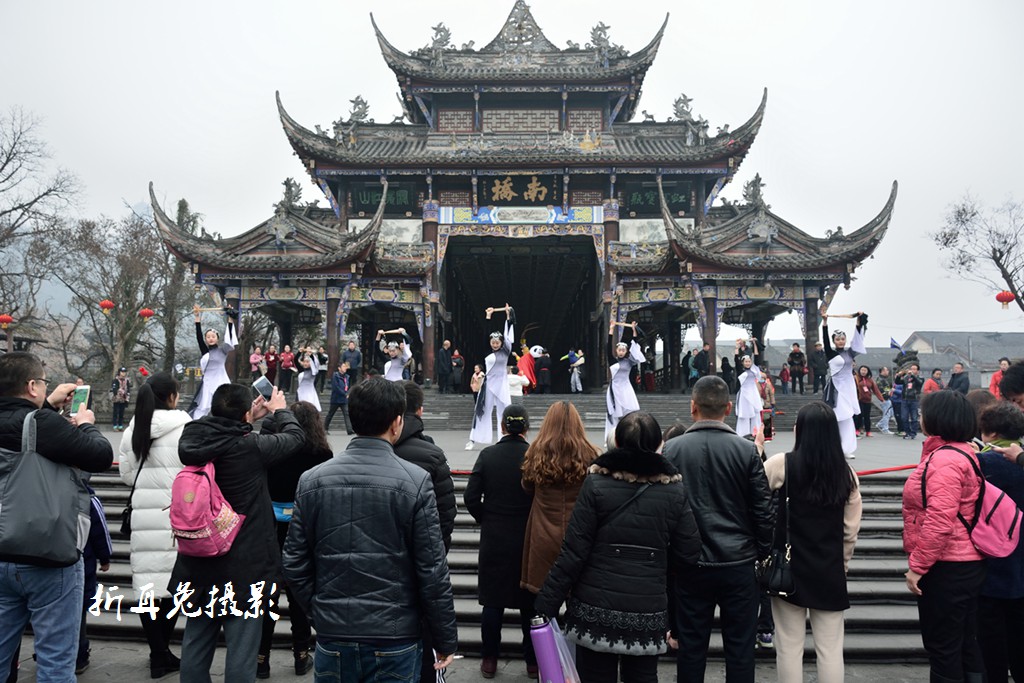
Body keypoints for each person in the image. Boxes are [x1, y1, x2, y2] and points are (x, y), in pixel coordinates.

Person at [281, 378, 458, 680]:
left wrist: (320, 610)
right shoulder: (415, 481)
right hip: (395, 633)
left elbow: (293, 561)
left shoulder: (313, 480)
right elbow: (432, 569)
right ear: (397, 422)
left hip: (334, 632)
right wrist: (444, 638)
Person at [534, 412, 702, 683]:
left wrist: (546, 602)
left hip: (594, 607)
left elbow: (574, 550)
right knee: (643, 677)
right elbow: (689, 551)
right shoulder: (673, 491)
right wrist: (655, 565)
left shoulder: (596, 484)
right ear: (658, 445)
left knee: (595, 675)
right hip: (647, 608)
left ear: (618, 443)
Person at [170, 383, 305, 683]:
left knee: (195, 644)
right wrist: (280, 410)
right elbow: (296, 437)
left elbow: (220, 432)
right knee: (242, 653)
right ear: (245, 414)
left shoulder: (192, 441)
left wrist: (245, 419)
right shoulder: (250, 448)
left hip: (198, 561)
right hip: (245, 567)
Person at [0, 352, 114, 680]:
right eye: (43, 382)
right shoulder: (42, 424)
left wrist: (48, 404)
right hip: (47, 556)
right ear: (31, 386)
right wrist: (87, 424)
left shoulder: (38, 421)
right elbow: (100, 456)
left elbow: (20, 430)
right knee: (55, 663)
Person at [662, 375, 774, 683]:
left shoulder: (672, 450)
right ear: (728, 408)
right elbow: (763, 511)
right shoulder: (746, 451)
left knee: (690, 647)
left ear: (693, 407)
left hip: (690, 563)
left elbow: (666, 509)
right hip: (738, 561)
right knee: (740, 649)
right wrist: (761, 553)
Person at [762, 402, 862, 683]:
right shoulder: (847, 474)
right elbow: (850, 531)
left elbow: (755, 493)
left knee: (788, 647)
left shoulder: (782, 464)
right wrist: (842, 564)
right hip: (829, 570)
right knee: (830, 649)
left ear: (800, 431)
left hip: (789, 569)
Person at [902, 390, 987, 683]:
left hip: (947, 566)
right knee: (965, 642)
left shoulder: (945, 460)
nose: (920, 418)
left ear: (938, 419)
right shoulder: (960, 452)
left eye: (923, 413)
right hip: (965, 561)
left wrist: (918, 566)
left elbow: (939, 521)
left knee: (943, 646)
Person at [118, 371, 191, 678]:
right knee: (174, 586)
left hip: (143, 516)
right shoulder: (185, 427)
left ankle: (158, 652)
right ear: (172, 397)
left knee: (147, 585)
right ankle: (162, 652)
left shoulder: (134, 428)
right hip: (177, 516)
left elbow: (126, 476)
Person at [257, 401, 333, 679]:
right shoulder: (322, 454)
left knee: (267, 597)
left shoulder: (275, 451)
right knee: (300, 596)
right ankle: (301, 655)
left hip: (270, 529)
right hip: (304, 531)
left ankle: (261, 659)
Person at [464, 405, 537, 679]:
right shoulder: (534, 456)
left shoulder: (488, 455)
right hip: (528, 537)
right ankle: (533, 661)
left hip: (495, 537)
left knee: (493, 602)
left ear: (503, 426)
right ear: (526, 427)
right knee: (530, 603)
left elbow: (471, 497)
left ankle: (489, 658)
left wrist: (486, 517)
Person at [521, 401, 601, 594]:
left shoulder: (535, 453)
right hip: (579, 532)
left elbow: (527, 487)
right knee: (578, 594)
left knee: (544, 597)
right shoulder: (591, 454)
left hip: (543, 533)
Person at [975, 401, 1024, 683]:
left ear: (991, 433)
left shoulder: (984, 463)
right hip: (1021, 568)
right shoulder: (1020, 459)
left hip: (992, 565)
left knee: (991, 646)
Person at [393, 381, 456, 551]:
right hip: (423, 548)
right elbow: (445, 511)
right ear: (420, 410)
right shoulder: (433, 455)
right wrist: (436, 552)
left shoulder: (369, 452)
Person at [76, 483, 112, 675]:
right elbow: (99, 531)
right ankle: (79, 656)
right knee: (78, 612)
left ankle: (47, 652)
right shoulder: (88, 497)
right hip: (82, 563)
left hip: (48, 563)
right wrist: (105, 558)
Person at [821, 310, 868, 456]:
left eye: (843, 339)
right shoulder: (830, 353)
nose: (841, 341)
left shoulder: (850, 353)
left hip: (848, 388)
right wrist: (825, 322)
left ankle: (846, 449)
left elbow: (858, 339)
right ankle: (833, 447)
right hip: (836, 388)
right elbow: (825, 339)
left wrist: (858, 321)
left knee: (847, 418)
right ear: (834, 341)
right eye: (838, 339)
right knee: (837, 417)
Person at [467, 304, 514, 450]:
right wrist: (488, 316)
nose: (494, 345)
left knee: (504, 411)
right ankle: (473, 439)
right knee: (482, 411)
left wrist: (508, 315)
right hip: (488, 384)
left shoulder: (506, 351)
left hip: (501, 384)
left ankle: (504, 438)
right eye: (492, 342)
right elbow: (485, 334)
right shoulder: (487, 351)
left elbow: (508, 334)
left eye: (497, 342)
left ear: (501, 343)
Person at [190, 306, 238, 419]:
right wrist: (197, 318)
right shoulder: (205, 351)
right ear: (206, 339)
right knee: (203, 407)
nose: (210, 338)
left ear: (217, 338)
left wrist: (230, 318)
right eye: (208, 337)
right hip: (208, 382)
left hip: (221, 380)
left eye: (213, 336)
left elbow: (229, 339)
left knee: (224, 405)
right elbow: (198, 337)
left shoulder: (223, 350)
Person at [605, 321, 645, 443]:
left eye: (623, 350)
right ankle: (612, 438)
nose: (621, 352)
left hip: (626, 388)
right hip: (615, 389)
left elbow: (635, 344)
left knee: (629, 413)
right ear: (616, 351)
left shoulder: (629, 361)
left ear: (626, 351)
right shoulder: (613, 361)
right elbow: (608, 347)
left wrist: (633, 330)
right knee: (614, 414)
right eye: (619, 350)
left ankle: (629, 436)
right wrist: (611, 330)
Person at [734, 341, 763, 437]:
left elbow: (757, 357)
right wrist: (737, 348)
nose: (748, 363)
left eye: (749, 361)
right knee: (744, 415)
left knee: (756, 414)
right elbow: (736, 359)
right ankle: (742, 434)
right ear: (743, 362)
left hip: (753, 393)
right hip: (744, 393)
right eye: (746, 362)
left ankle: (756, 433)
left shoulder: (754, 369)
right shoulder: (740, 370)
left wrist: (754, 344)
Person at [896, 363, 925, 440]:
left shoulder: (920, 378)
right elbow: (897, 382)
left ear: (918, 371)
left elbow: (919, 383)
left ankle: (913, 433)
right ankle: (907, 432)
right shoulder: (906, 377)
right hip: (905, 399)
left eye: (914, 369)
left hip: (914, 400)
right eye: (911, 369)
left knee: (914, 418)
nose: (912, 370)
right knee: (904, 417)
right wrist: (899, 375)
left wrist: (913, 376)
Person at [324, 360, 353, 435]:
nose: (345, 368)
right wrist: (344, 394)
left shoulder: (347, 377)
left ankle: (349, 430)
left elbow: (347, 387)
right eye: (343, 366)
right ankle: (325, 428)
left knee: (347, 414)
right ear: (339, 368)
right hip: (336, 399)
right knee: (330, 414)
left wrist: (347, 393)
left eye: (345, 366)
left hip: (344, 399)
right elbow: (336, 387)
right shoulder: (335, 376)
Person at [855, 365, 884, 438]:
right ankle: (857, 430)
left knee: (867, 417)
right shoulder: (856, 378)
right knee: (859, 415)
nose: (863, 372)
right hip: (859, 400)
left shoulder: (870, 380)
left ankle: (868, 431)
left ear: (867, 371)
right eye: (862, 370)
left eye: (865, 370)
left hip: (867, 401)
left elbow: (875, 390)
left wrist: (881, 398)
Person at [294, 347, 321, 411]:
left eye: (307, 362)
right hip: (300, 392)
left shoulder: (313, 371)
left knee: (308, 409)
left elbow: (316, 363)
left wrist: (310, 355)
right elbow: (295, 360)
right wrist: (299, 352)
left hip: (309, 393)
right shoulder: (301, 370)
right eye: (304, 362)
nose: (305, 363)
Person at [875, 366, 895, 435]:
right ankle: (885, 428)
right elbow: (881, 390)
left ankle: (880, 424)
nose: (888, 371)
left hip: (887, 398)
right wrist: (887, 394)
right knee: (886, 414)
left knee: (889, 413)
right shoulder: (880, 379)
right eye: (887, 370)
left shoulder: (884, 379)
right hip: (884, 399)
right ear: (883, 371)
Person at [111, 366, 131, 431]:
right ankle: (115, 426)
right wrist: (120, 391)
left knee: (121, 412)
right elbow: (114, 389)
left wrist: (127, 395)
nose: (123, 373)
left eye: (124, 372)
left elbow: (128, 389)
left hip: (124, 398)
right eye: (122, 372)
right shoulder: (115, 380)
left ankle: (120, 425)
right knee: (116, 412)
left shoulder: (126, 380)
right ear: (119, 372)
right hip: (117, 398)